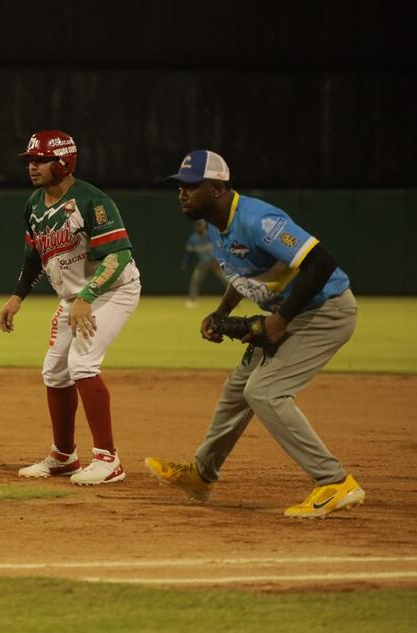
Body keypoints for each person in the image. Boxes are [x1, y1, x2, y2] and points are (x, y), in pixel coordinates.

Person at [145, 149, 364, 518]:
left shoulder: (259, 219)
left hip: (325, 312)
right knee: (237, 389)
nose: (182, 193)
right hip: (293, 314)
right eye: (179, 187)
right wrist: (222, 311)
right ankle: (202, 475)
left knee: (265, 391)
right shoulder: (216, 224)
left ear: (217, 188)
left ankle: (335, 482)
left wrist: (280, 319)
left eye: (190, 186)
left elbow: (321, 263)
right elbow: (243, 275)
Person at [0, 130, 141, 486]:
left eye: (41, 160)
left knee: (82, 363)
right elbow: (34, 256)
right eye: (30, 160)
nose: (33, 167)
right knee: (55, 371)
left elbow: (119, 257)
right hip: (75, 299)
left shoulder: (93, 202)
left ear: (64, 162)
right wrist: (17, 296)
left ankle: (109, 460)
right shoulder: (34, 204)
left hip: (113, 290)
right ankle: (64, 456)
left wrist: (87, 298)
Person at [181, 219, 228, 307]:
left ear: (203, 226)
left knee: (226, 280)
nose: (198, 227)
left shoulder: (210, 235)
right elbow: (188, 252)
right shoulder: (193, 238)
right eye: (196, 225)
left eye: (199, 225)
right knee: (195, 279)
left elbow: (220, 247)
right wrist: (185, 262)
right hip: (203, 263)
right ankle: (192, 300)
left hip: (215, 261)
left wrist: (218, 260)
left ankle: (233, 300)